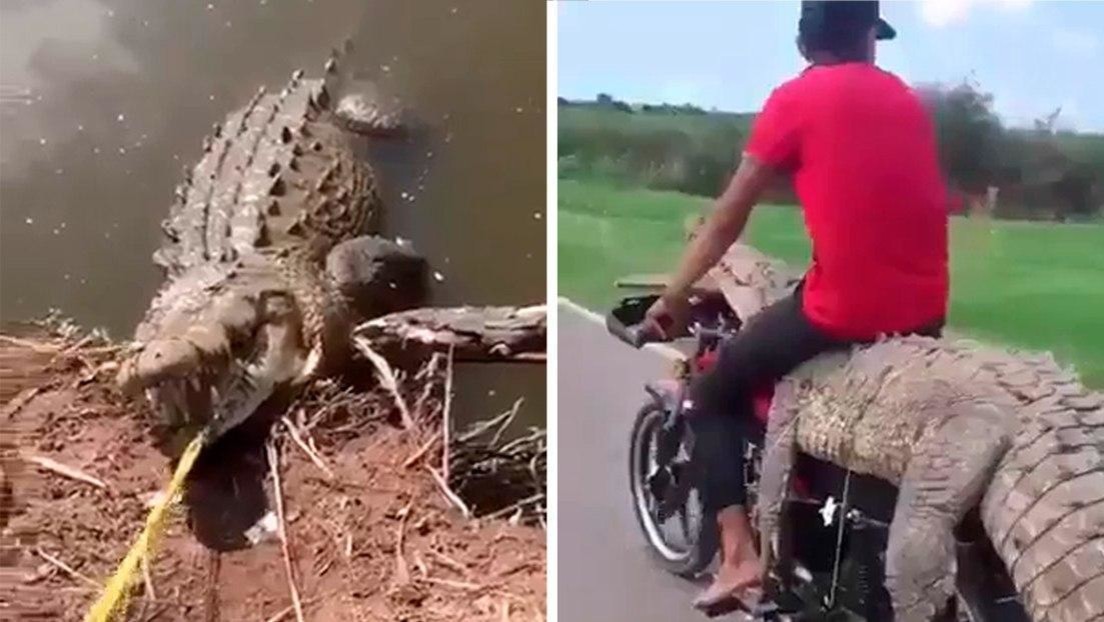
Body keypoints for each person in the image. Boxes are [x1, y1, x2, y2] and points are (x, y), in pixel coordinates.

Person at [643, 1, 950, 611]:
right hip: (925, 311)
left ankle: (737, 558)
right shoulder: (906, 100)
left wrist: (672, 298)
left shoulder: (794, 100)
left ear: (806, 41)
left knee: (711, 393)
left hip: (845, 309)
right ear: (867, 38)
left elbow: (726, 218)